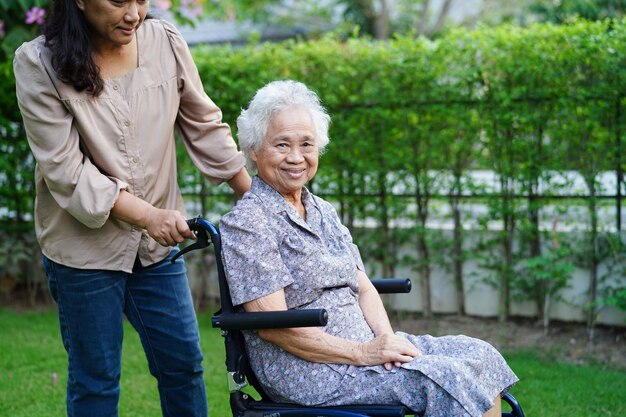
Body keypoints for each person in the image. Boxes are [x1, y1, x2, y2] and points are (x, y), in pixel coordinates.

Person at [219, 80, 519, 417]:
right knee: (444, 377)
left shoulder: (322, 210)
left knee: (477, 354)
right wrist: (364, 353)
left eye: (307, 144)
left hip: (363, 349)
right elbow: (274, 325)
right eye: (282, 144)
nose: (296, 157)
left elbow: (363, 287)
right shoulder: (247, 222)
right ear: (254, 149)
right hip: (309, 369)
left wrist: (387, 343)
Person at [13, 1, 251, 416]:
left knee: (184, 367)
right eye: (119, 1)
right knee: (96, 382)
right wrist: (149, 216)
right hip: (84, 252)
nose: (134, 14)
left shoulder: (164, 41)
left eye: (142, 0)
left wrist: (256, 199)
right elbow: (66, 172)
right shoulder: (38, 63)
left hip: (157, 251)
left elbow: (203, 123)